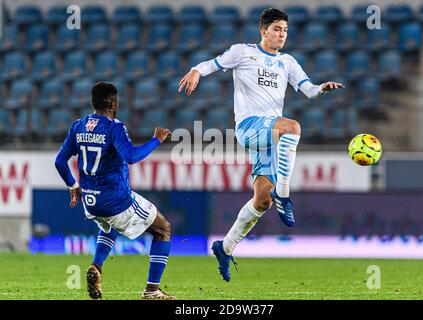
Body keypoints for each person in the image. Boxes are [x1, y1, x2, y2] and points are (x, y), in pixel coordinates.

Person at [178, 8, 344, 282]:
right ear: (263, 31)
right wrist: (196, 70)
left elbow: (309, 90)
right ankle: (285, 194)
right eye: (277, 29)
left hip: (271, 136)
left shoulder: (288, 62)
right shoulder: (242, 52)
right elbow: (213, 63)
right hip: (250, 127)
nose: (282, 34)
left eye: (285, 30)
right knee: (293, 127)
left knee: (261, 201)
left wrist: (322, 88)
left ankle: (225, 247)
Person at [54, 81, 175, 299]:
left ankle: (97, 267)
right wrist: (156, 140)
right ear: (113, 103)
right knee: (163, 229)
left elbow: (60, 162)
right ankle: (152, 290)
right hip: (116, 200)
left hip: (90, 201)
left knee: (108, 226)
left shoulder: (78, 125)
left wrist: (73, 186)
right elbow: (130, 156)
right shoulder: (113, 127)